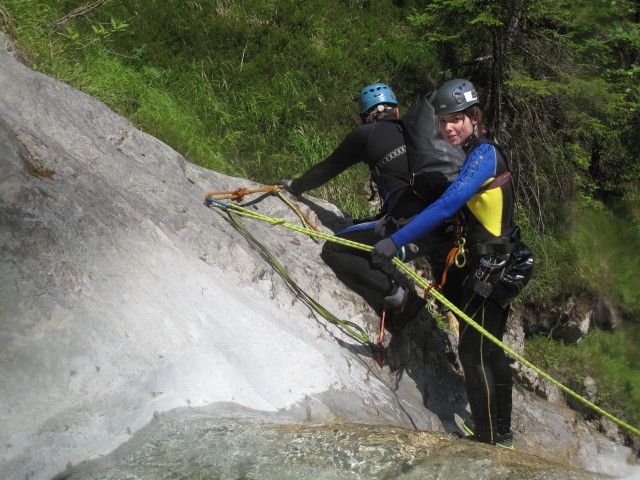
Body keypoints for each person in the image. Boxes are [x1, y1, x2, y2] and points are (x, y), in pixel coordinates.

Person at [371, 78, 534, 447]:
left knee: (472, 351)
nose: (448, 128)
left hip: (493, 268)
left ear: (473, 116)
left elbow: (447, 204)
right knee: (488, 349)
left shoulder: (483, 155)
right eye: (443, 121)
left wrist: (395, 240)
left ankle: (489, 437)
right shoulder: (484, 147)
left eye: (456, 119)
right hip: (501, 262)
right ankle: (501, 434)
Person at [276, 83, 464, 332]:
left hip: (408, 229)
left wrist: (296, 186)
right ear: (396, 111)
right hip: (448, 227)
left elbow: (328, 168)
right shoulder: (420, 133)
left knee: (334, 249)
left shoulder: (366, 135)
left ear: (366, 116)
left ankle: (399, 299)